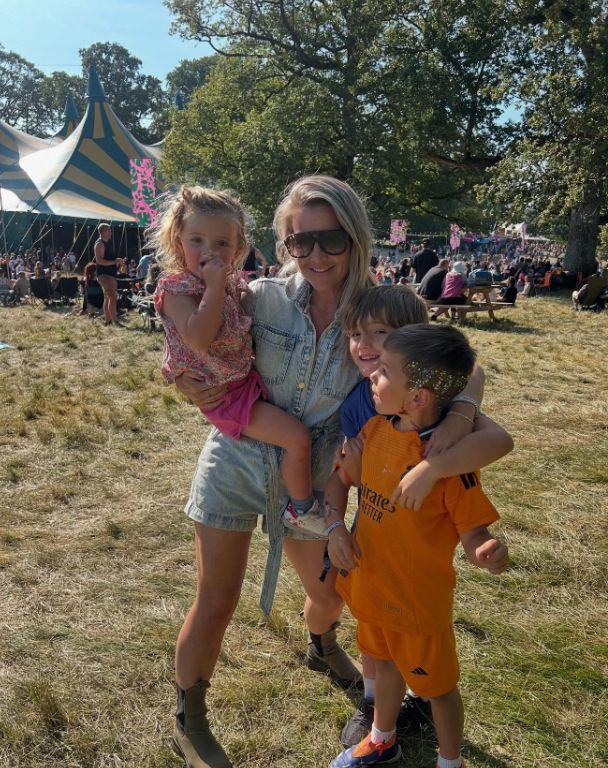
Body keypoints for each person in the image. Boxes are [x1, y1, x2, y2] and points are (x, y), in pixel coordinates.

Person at [325, 285, 512, 748]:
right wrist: (334, 524)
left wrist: (445, 445)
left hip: (414, 571)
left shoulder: (439, 410)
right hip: (373, 542)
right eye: (356, 334)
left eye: (380, 335)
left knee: (422, 665)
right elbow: (346, 474)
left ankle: (434, 737)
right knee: (376, 643)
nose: (366, 346)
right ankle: (377, 715)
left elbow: (499, 440)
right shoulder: (368, 409)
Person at [94, 222, 119, 325]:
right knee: (113, 297)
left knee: (108, 297)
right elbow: (99, 261)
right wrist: (114, 262)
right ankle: (115, 321)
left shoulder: (106, 243)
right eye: (109, 230)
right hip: (105, 275)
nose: (111, 232)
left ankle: (108, 321)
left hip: (109, 274)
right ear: (103, 231)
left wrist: (116, 261)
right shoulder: (100, 244)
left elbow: (108, 259)